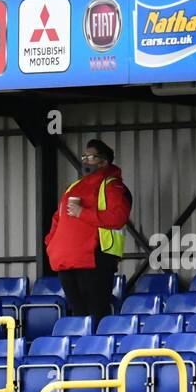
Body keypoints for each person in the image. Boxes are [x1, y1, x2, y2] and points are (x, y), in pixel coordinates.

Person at [45, 138, 131, 328]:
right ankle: (81, 353)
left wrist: (82, 213)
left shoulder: (113, 186)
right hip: (67, 260)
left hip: (96, 258)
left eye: (91, 157)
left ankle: (98, 351)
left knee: (97, 312)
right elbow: (57, 218)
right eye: (84, 156)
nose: (86, 160)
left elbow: (118, 218)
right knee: (78, 315)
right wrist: (52, 244)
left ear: (104, 161)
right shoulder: (73, 187)